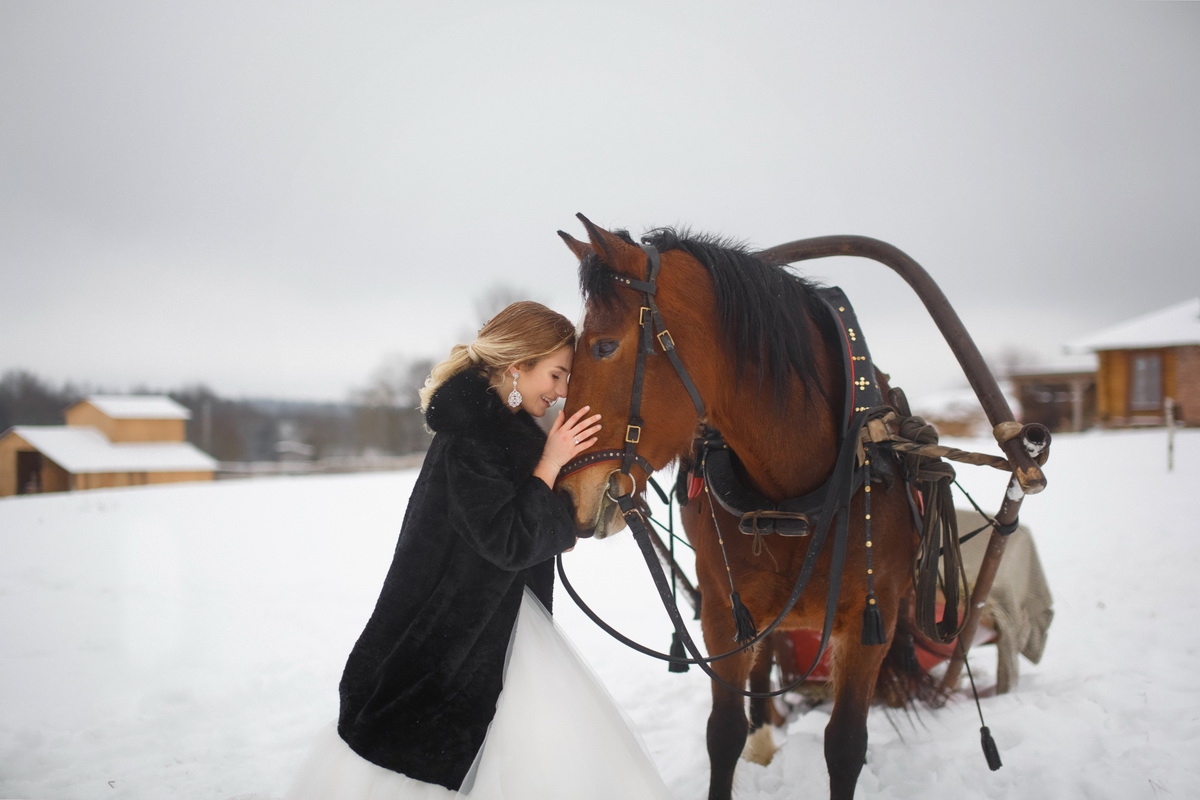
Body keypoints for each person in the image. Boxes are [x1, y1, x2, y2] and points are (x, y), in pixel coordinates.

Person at [284, 301, 673, 800]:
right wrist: (551, 464)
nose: (559, 393)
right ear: (517, 366)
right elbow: (508, 541)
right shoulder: (472, 438)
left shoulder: (497, 433)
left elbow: (514, 529)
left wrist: (557, 516)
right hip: (451, 644)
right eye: (555, 375)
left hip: (490, 626)